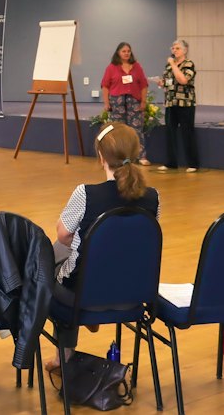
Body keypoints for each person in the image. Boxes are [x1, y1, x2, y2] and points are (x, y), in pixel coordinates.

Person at [50, 121, 158, 361]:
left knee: (50, 258)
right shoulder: (153, 198)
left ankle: (63, 355)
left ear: (101, 157)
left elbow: (63, 235)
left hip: (83, 296)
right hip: (133, 294)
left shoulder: (86, 194)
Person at [99, 42, 151, 157]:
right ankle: (119, 156)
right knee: (118, 130)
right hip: (117, 102)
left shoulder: (137, 66)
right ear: (118, 52)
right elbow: (105, 86)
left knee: (136, 129)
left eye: (128, 51)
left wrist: (143, 101)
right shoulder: (111, 67)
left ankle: (140, 156)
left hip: (134, 101)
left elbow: (144, 85)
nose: (127, 53)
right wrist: (106, 103)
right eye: (124, 51)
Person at [154, 39, 198, 172]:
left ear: (184, 50)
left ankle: (192, 163)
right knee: (170, 132)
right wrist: (161, 83)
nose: (174, 50)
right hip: (170, 102)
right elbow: (169, 81)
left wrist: (173, 65)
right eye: (173, 48)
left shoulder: (188, 64)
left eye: (177, 48)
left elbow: (183, 80)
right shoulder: (168, 66)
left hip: (185, 103)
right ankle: (170, 162)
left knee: (187, 132)